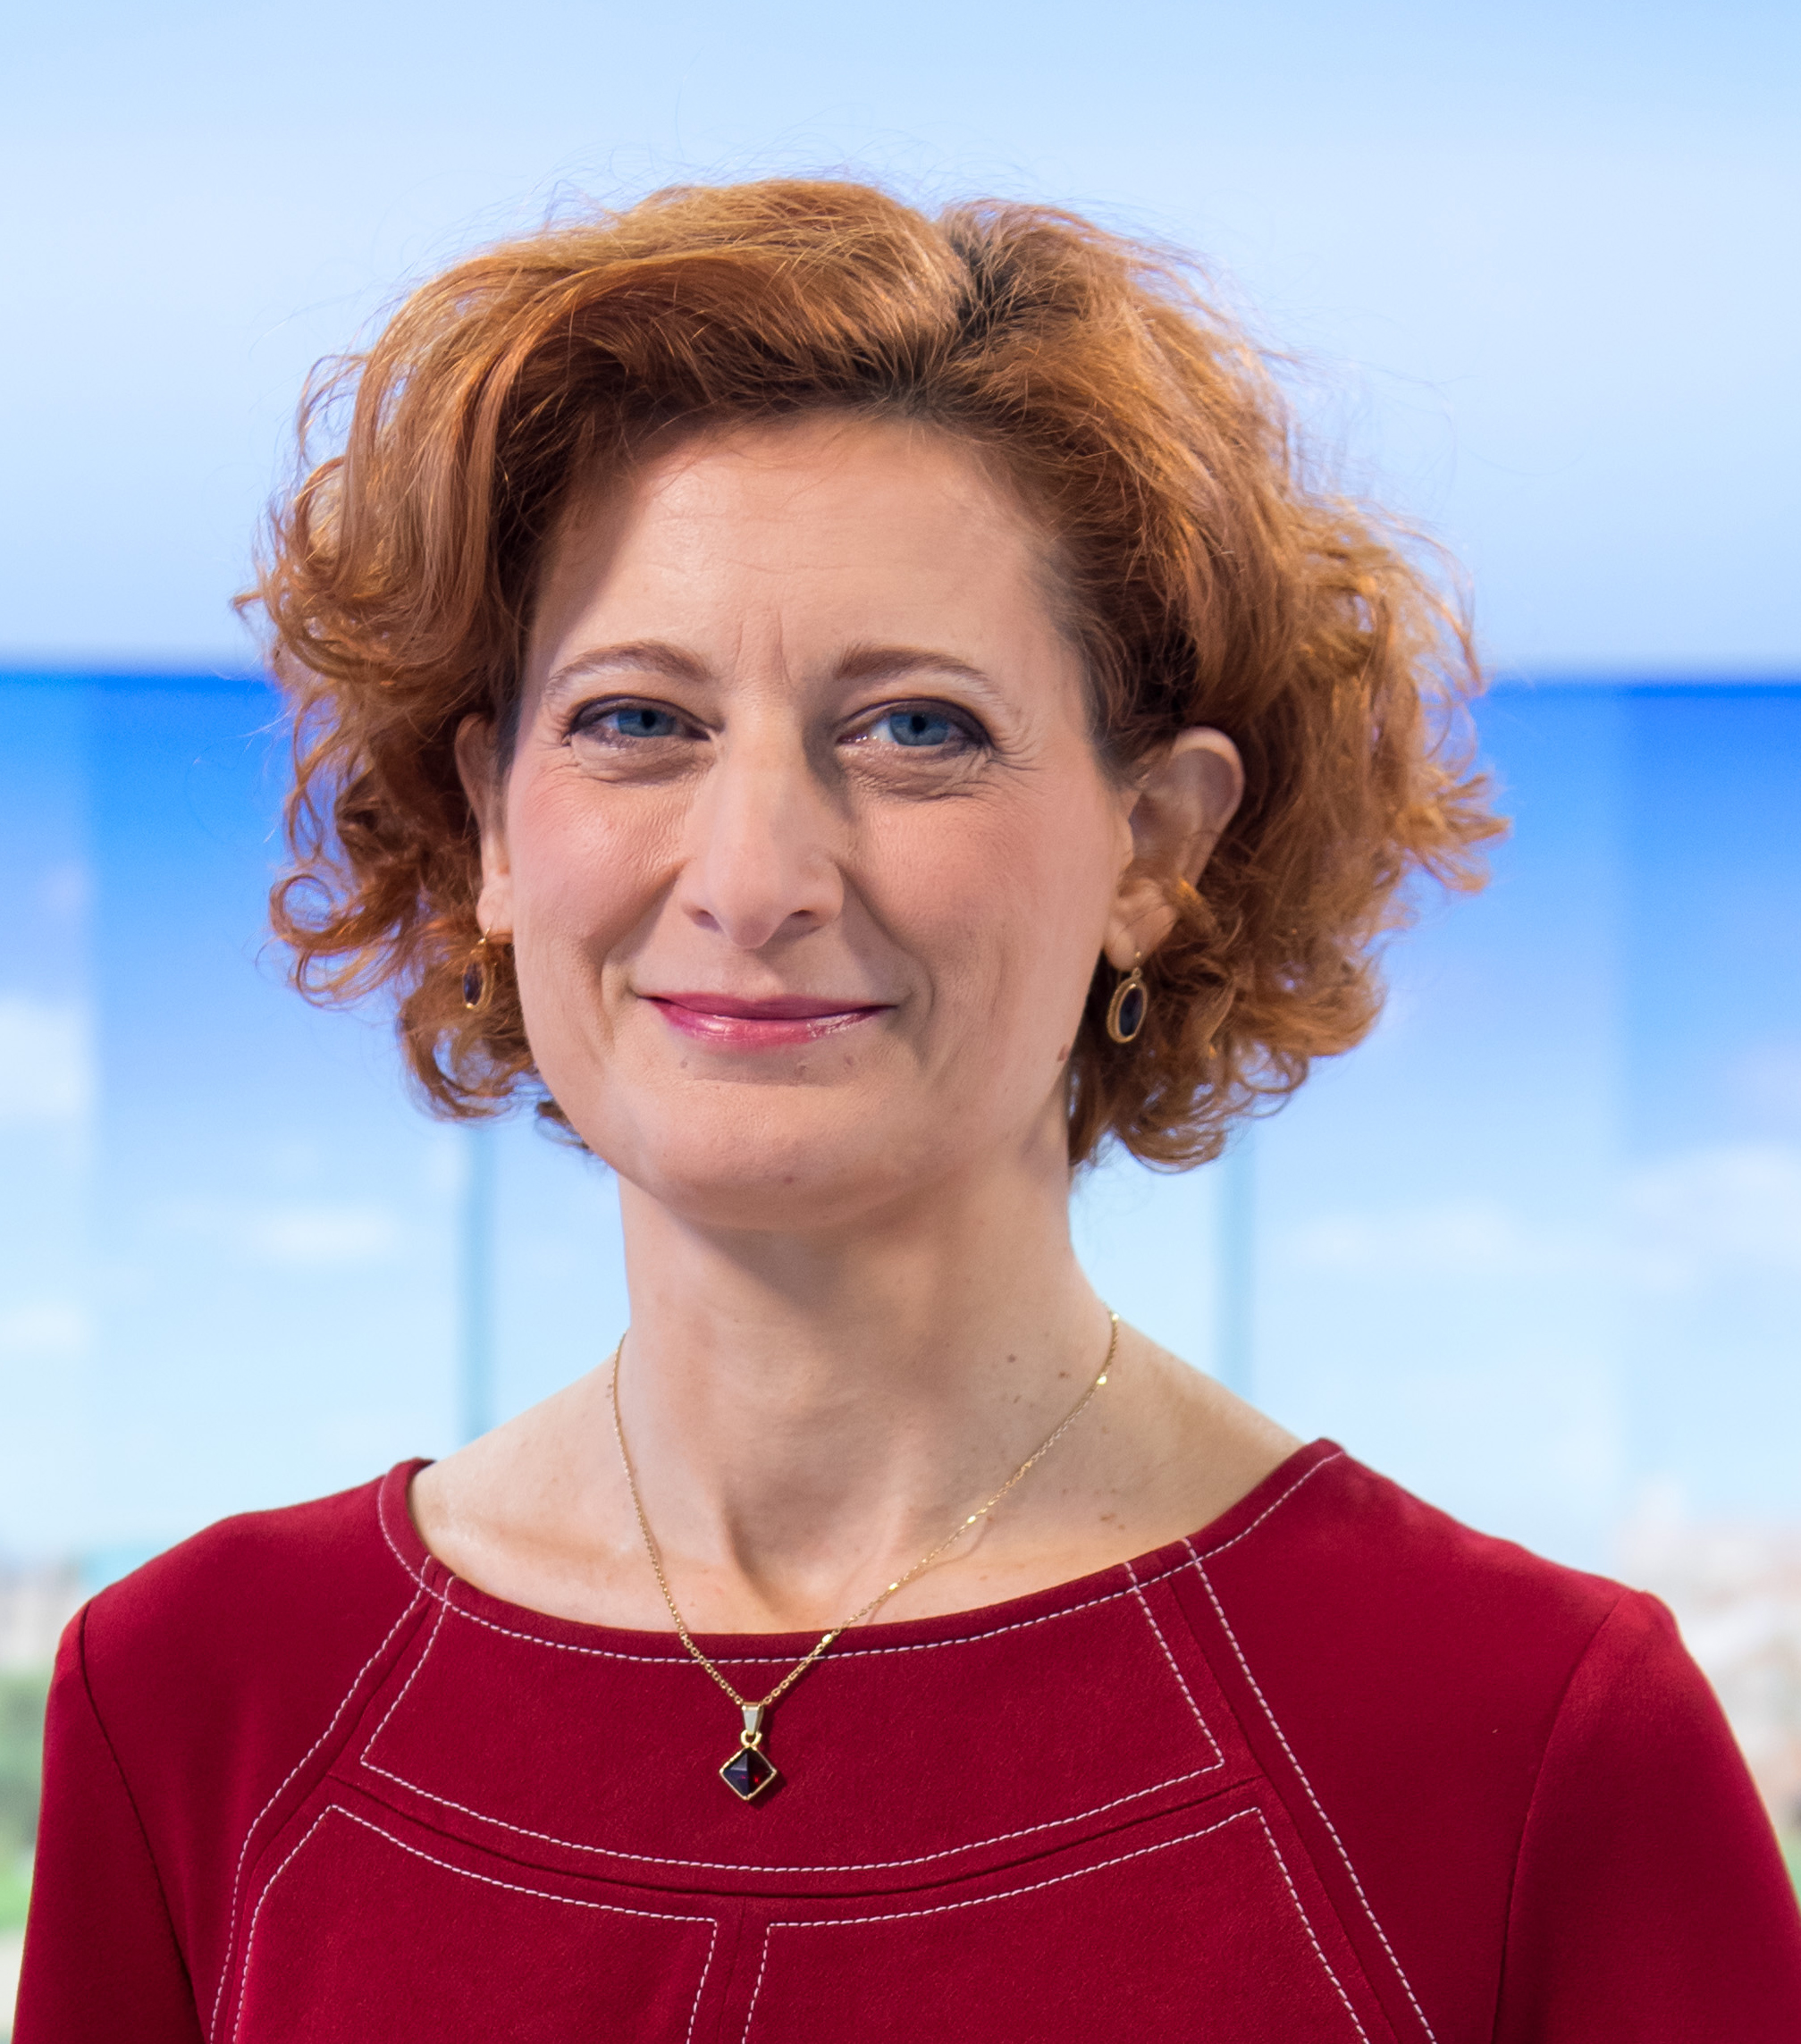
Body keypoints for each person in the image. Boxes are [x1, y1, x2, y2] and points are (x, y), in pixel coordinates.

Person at [17, 179, 1801, 2043]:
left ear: (1155, 846)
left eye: (916, 729)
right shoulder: (200, 1701)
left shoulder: (1527, 1746)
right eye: (638, 721)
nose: (753, 877)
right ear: (492, 828)